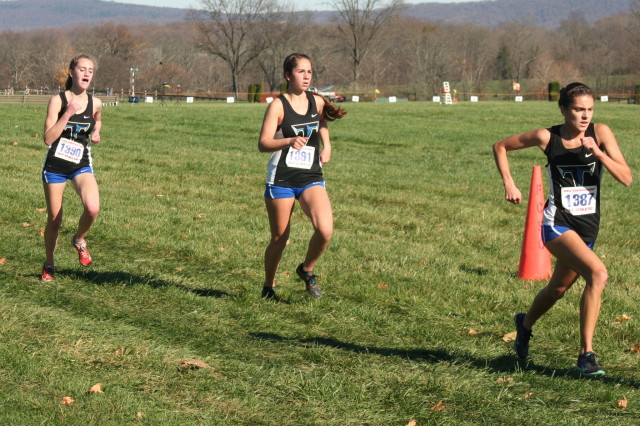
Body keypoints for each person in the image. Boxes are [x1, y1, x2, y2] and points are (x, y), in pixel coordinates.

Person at [493, 82, 632, 376]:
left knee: (556, 289)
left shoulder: (601, 133)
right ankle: (586, 354)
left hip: (587, 229)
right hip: (557, 224)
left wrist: (599, 152)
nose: (585, 116)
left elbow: (627, 178)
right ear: (564, 109)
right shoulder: (548, 137)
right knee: (598, 273)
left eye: (590, 110)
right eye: (578, 110)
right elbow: (501, 146)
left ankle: (525, 324)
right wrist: (509, 182)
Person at [258, 53, 346, 299]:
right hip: (282, 179)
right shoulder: (277, 105)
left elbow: (322, 123)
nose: (307, 76)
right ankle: (269, 286)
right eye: (301, 72)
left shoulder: (316, 101)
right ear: (288, 75)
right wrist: (289, 140)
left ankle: (306, 269)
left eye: (309, 71)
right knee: (280, 239)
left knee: (325, 229)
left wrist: (326, 146)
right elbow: (263, 143)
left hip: (310, 176)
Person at [41, 54, 103, 281]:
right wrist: (67, 113)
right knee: (55, 220)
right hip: (56, 166)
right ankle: (49, 262)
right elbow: (48, 138)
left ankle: (79, 239)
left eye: (91, 70)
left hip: (80, 165)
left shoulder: (95, 102)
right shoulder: (58, 101)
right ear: (71, 72)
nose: (87, 73)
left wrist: (96, 131)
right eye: (82, 69)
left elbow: (97, 119)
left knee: (93, 208)